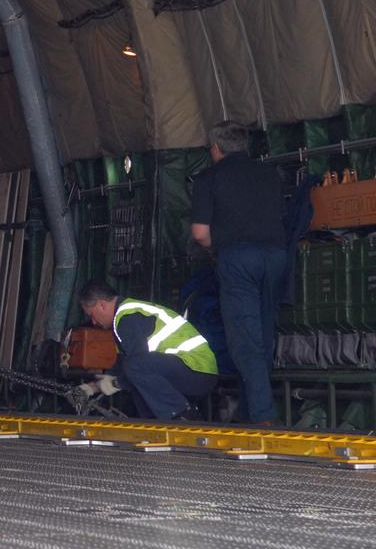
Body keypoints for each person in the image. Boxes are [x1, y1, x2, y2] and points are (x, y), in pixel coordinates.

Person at [190, 121, 286, 425]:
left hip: (238, 259)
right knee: (263, 333)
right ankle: (250, 411)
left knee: (245, 340)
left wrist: (213, 252)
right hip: (276, 256)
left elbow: (200, 232)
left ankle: (263, 418)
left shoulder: (209, 177)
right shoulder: (271, 174)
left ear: (215, 149)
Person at [77, 280, 217, 420]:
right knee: (134, 374)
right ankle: (152, 425)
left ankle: (181, 418)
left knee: (135, 368)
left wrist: (114, 383)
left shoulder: (128, 318)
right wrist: (93, 387)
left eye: (92, 315)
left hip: (197, 370)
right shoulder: (121, 321)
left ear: (101, 304)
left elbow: (135, 365)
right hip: (190, 372)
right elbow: (123, 366)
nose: (93, 322)